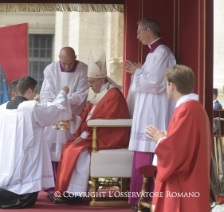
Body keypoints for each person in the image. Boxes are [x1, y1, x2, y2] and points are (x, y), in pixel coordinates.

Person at [0, 76, 72, 209]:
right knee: (25, 199)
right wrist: (63, 93)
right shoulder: (31, 107)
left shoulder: (3, 108)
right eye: (34, 91)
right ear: (28, 91)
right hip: (24, 165)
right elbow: (55, 111)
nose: (35, 95)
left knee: (2, 181)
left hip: (4, 161)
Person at [53, 52, 130, 204]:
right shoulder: (102, 93)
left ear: (101, 80)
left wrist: (87, 125)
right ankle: (63, 191)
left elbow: (109, 117)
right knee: (68, 146)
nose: (89, 86)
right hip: (96, 132)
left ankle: (74, 194)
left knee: (76, 150)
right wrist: (75, 118)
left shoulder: (114, 94)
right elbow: (88, 113)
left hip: (109, 136)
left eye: (91, 82)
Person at [123, 17, 176, 210]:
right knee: (141, 151)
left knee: (148, 151)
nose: (137, 36)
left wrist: (137, 72)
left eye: (138, 32)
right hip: (147, 108)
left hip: (155, 109)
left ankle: (148, 199)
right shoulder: (152, 54)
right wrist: (139, 71)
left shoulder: (162, 52)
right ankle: (139, 199)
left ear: (149, 31)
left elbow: (154, 83)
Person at [145, 65, 211, 212]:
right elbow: (184, 143)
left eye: (166, 84)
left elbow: (176, 152)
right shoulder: (194, 108)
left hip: (184, 184)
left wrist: (160, 141)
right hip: (193, 179)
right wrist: (166, 138)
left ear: (172, 85)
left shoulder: (186, 110)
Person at [40, 47, 89, 195]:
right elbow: (46, 92)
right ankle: (53, 184)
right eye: (64, 63)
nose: (67, 66)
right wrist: (56, 107)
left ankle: (68, 184)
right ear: (58, 58)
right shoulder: (50, 69)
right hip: (54, 114)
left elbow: (81, 94)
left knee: (69, 148)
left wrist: (63, 104)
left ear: (76, 57)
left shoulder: (83, 69)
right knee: (52, 148)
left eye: (70, 63)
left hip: (72, 116)